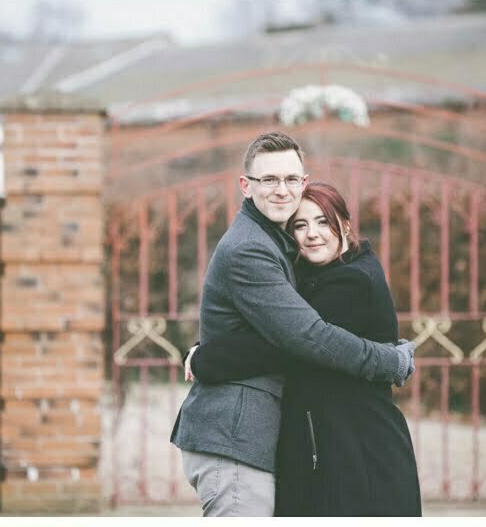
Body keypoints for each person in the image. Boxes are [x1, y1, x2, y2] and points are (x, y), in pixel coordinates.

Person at [169, 131, 416, 516]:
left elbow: (296, 339)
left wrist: (205, 357)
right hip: (237, 438)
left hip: (355, 448)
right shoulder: (256, 248)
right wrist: (391, 361)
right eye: (268, 179)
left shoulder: (348, 280)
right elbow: (297, 338)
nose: (281, 190)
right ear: (246, 186)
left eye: (289, 180)